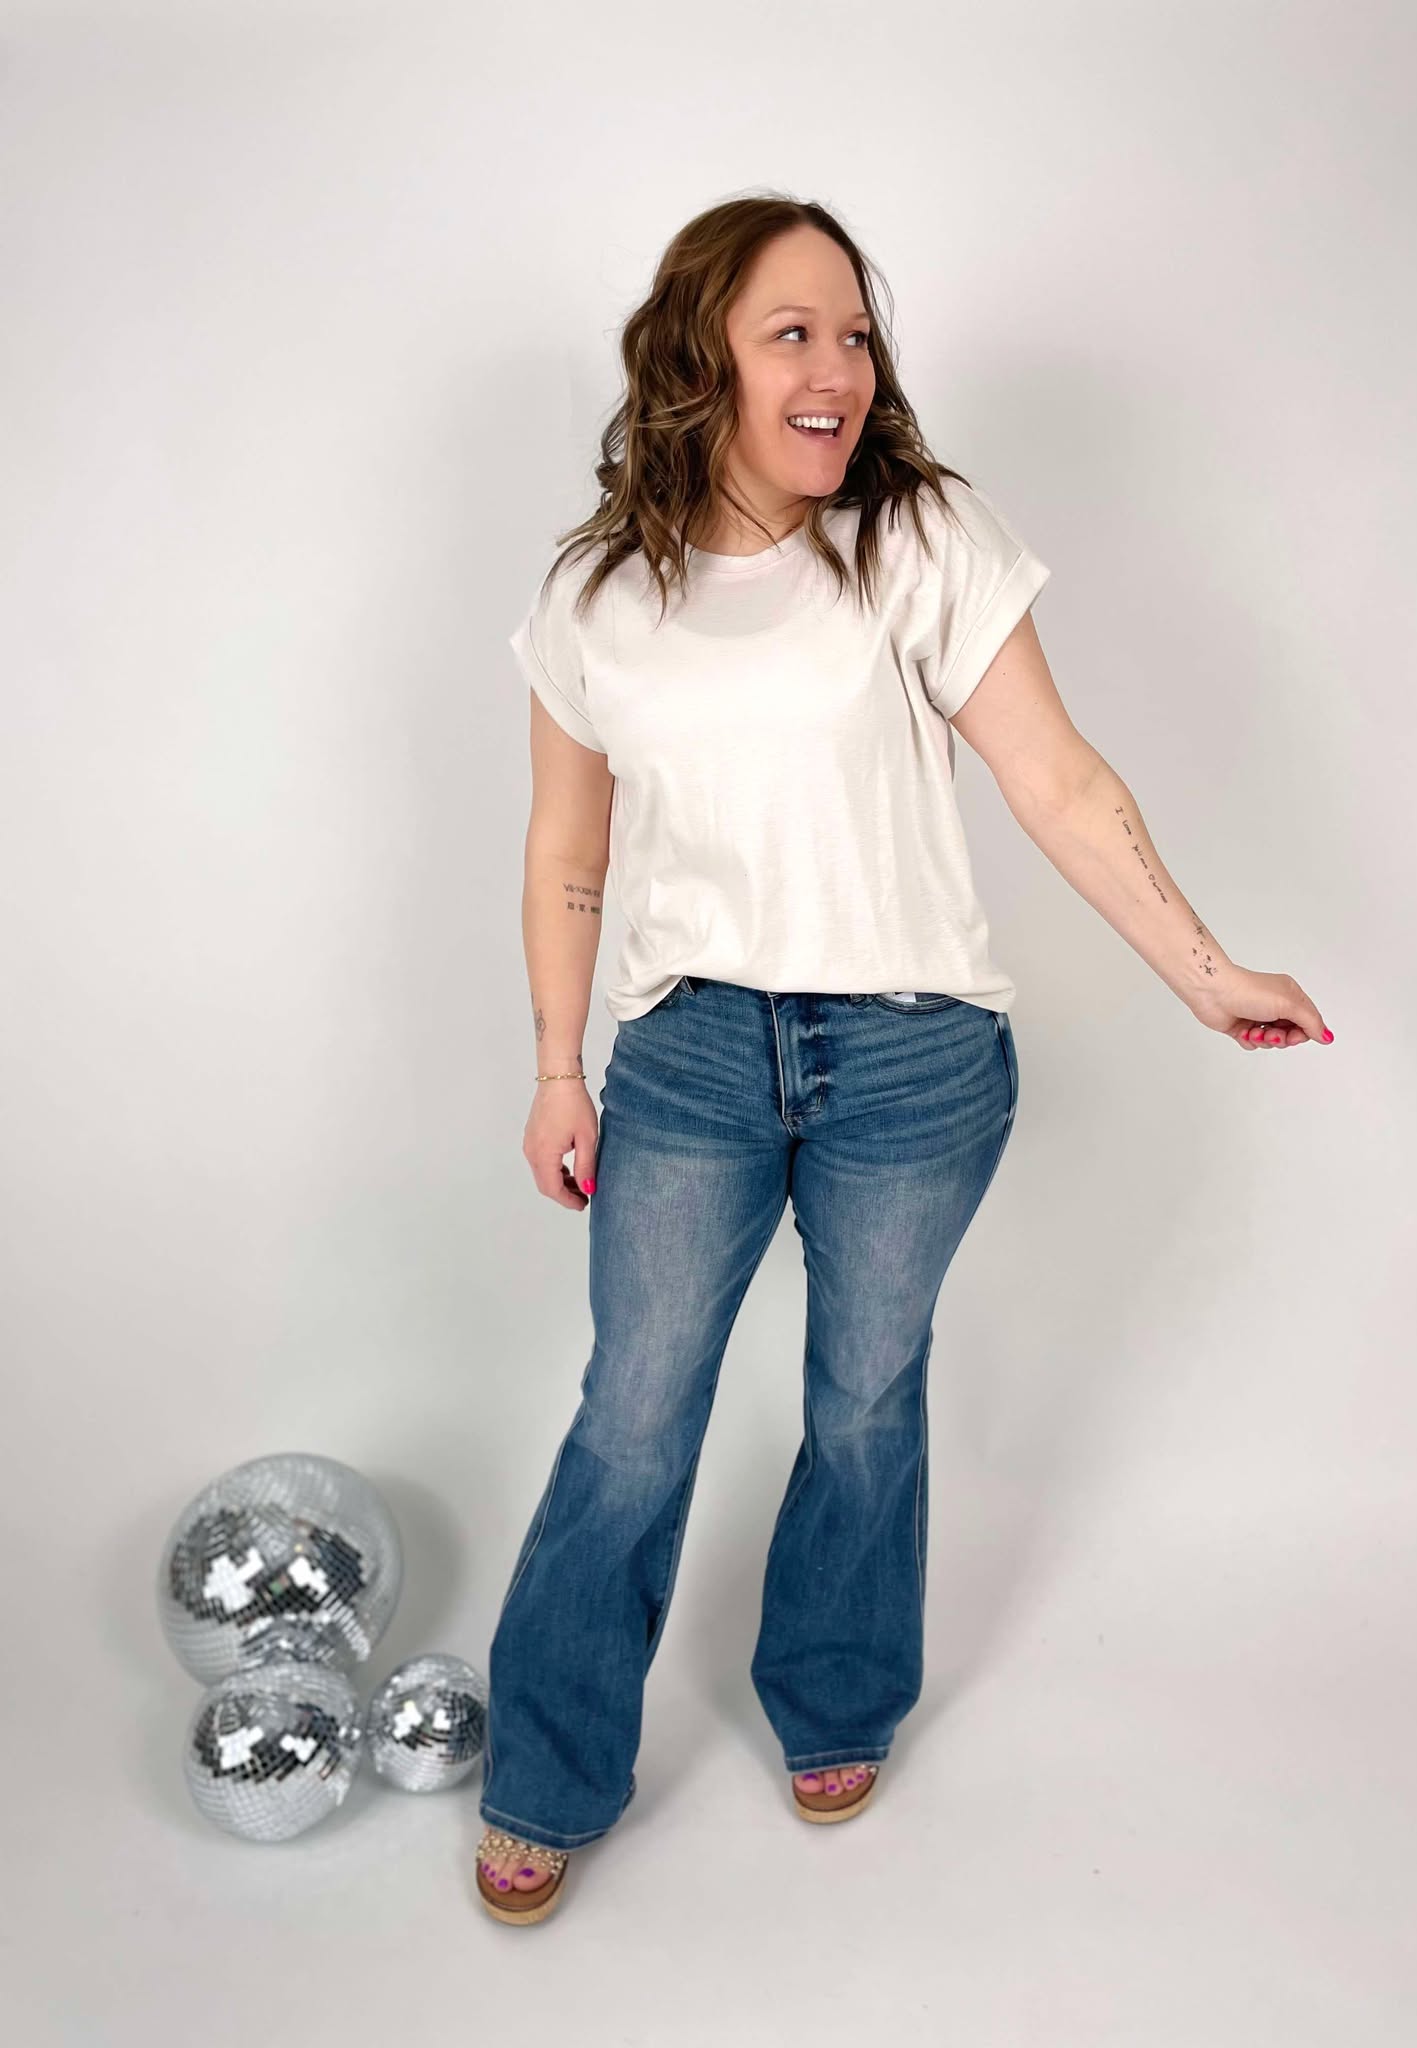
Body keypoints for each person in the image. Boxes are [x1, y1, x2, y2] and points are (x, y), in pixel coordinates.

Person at [474, 194, 1333, 1924]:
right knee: (635, 1416)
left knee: (864, 1397)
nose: (839, 369)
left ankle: (837, 1694)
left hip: (914, 1059)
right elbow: (568, 849)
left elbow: (1058, 780)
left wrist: (1205, 972)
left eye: (856, 334)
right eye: (793, 332)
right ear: (700, 355)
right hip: (690, 1057)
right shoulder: (595, 596)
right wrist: (561, 1069)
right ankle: (550, 1771)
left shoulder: (922, 537)